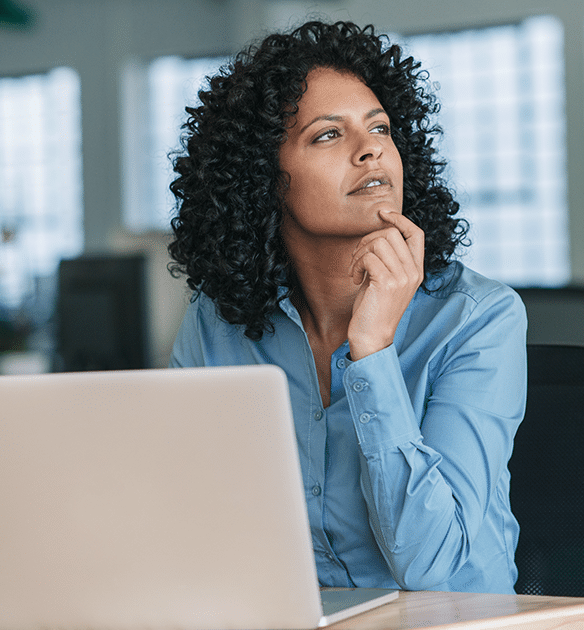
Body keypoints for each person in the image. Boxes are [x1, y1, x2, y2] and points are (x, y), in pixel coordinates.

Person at [165, 20, 527, 594]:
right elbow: (183, 518)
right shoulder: (217, 323)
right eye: (328, 135)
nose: (371, 150)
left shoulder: (478, 318)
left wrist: (374, 349)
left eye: (379, 127)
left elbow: (431, 566)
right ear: (265, 179)